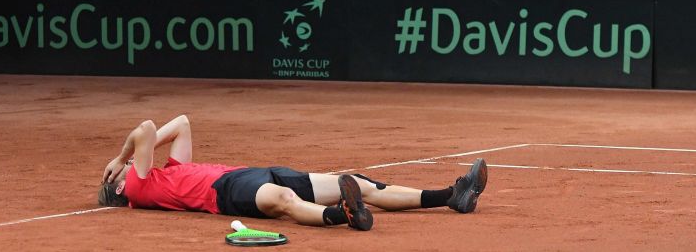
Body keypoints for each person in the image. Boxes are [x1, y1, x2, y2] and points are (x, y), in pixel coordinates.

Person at [98, 115, 488, 231]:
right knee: (283, 202)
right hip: (226, 192)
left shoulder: (167, 173)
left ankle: (450, 196)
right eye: (121, 171)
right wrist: (121, 158)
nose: (131, 163)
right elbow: (146, 129)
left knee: (358, 184)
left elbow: (182, 123)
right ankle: (343, 215)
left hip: (251, 173)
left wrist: (129, 156)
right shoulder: (138, 186)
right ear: (120, 185)